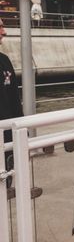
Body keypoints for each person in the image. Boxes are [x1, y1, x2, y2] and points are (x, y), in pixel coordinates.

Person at [0, 19, 23, 188]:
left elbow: (15, 99)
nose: (4, 32)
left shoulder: (5, 60)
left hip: (7, 139)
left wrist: (21, 129)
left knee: (6, 184)